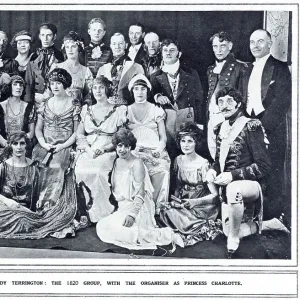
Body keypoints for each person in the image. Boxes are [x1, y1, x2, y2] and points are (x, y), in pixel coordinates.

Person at [206, 87, 272, 257]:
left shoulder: (251, 125)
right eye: (220, 101)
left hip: (252, 186)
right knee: (227, 230)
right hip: (228, 188)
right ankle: (270, 224)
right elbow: (217, 160)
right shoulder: (220, 127)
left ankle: (233, 240)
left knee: (233, 189)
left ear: (238, 103)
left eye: (229, 100)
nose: (224, 105)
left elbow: (263, 166)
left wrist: (232, 176)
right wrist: (213, 171)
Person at [96, 128, 184, 250]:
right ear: (115, 146)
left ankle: (167, 235)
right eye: (119, 145)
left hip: (138, 206)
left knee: (117, 231)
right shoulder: (117, 161)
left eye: (126, 146)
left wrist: (132, 214)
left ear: (131, 147)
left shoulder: (136, 163)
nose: (122, 149)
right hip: (123, 206)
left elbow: (141, 193)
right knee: (102, 227)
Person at [242, 29, 292, 222]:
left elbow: (281, 100)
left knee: (273, 170)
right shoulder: (246, 69)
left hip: (271, 126)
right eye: (252, 41)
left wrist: (264, 126)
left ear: (270, 44)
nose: (256, 45)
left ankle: (272, 216)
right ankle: (254, 214)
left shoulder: (280, 68)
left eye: (260, 41)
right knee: (252, 168)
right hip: (250, 124)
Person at [0, 131, 77, 239]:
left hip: (26, 211)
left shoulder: (34, 167)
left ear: (26, 145)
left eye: (22, 143)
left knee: (21, 220)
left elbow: (45, 185)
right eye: (15, 143)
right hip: (6, 207)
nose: (18, 147)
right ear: (10, 145)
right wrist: (7, 201)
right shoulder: (3, 167)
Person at [158, 122, 221, 246]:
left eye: (190, 141)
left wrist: (193, 202)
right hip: (184, 202)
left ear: (196, 142)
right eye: (183, 141)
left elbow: (215, 196)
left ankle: (194, 225)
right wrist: (176, 200)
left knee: (176, 216)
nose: (186, 145)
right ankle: (182, 226)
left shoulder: (203, 164)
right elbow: (178, 186)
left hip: (201, 205)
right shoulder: (178, 160)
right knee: (164, 211)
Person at [75, 76, 127, 223]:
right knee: (79, 171)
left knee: (98, 172)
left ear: (107, 89)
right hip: (88, 148)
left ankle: (100, 211)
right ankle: (83, 210)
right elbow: (79, 133)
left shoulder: (117, 111)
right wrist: (85, 146)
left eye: (101, 87)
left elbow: (120, 136)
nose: (98, 91)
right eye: (95, 88)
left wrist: (105, 149)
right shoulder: (87, 110)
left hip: (108, 148)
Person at [32, 68, 80, 211]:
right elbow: (38, 129)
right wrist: (43, 143)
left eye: (58, 83)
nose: (55, 86)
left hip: (64, 146)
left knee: (57, 165)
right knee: (36, 164)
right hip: (45, 145)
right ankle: (36, 204)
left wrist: (62, 146)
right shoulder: (45, 104)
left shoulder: (74, 104)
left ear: (65, 84)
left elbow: (77, 131)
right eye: (52, 83)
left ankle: (50, 206)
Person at [150, 39, 204, 160]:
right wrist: (157, 96)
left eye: (172, 50)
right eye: (165, 50)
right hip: (166, 120)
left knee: (187, 153)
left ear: (179, 53)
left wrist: (199, 124)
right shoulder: (155, 76)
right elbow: (149, 98)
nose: (168, 53)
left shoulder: (191, 73)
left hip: (188, 117)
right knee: (169, 153)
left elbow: (199, 99)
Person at [127, 74, 170, 213]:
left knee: (162, 170)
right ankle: (138, 208)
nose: (140, 92)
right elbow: (124, 137)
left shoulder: (156, 110)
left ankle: (157, 209)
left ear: (147, 91)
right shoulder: (125, 111)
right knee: (134, 169)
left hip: (154, 150)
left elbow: (163, 137)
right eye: (136, 89)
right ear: (132, 91)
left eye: (143, 89)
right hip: (134, 151)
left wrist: (158, 150)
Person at [206, 31, 248, 159]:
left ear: (230, 46)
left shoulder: (241, 67)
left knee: (228, 154)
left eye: (222, 46)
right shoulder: (210, 69)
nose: (218, 50)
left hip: (228, 116)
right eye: (215, 46)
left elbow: (243, 96)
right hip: (212, 116)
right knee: (213, 151)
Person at [96, 33, 144, 104]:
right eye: (114, 44)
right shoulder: (102, 69)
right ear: (111, 46)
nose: (117, 47)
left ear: (126, 45)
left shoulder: (137, 67)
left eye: (120, 43)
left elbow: (142, 92)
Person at [24, 23, 64, 105]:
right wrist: (27, 104)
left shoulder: (60, 56)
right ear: (39, 36)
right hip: (36, 101)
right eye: (42, 35)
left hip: (55, 100)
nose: (45, 39)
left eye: (49, 35)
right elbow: (28, 83)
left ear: (54, 37)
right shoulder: (34, 56)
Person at [50, 31, 93, 105]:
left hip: (78, 112)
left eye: (73, 46)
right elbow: (49, 94)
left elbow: (88, 96)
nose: (70, 50)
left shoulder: (86, 71)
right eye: (67, 47)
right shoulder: (56, 67)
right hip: (58, 110)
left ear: (79, 48)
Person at [0, 75, 35, 161]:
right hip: (3, 147)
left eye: (21, 85)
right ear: (9, 87)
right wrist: (6, 144)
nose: (18, 87)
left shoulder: (29, 107)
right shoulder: (1, 106)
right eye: (15, 84)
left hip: (22, 148)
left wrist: (19, 144)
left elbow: (31, 133)